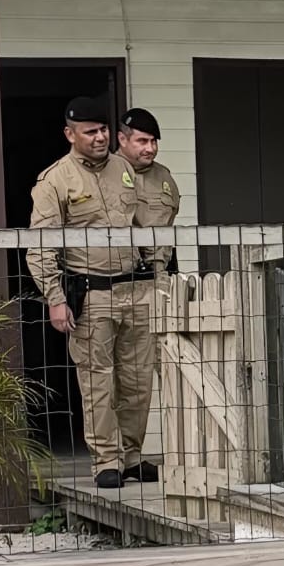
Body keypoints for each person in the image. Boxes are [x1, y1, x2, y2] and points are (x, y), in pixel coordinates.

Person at [27, 96, 154, 489]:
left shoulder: (126, 169)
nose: (99, 138)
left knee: (137, 380)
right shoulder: (56, 180)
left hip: (135, 287)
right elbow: (40, 246)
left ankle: (132, 456)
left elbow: (146, 224)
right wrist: (55, 298)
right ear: (70, 134)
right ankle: (105, 461)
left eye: (103, 130)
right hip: (90, 293)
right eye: (90, 132)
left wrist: (156, 276)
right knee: (98, 382)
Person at [113, 106, 180, 481]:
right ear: (122, 139)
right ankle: (110, 460)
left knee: (147, 378)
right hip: (114, 284)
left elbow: (169, 233)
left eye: (153, 141)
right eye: (141, 140)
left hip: (156, 285)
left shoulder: (164, 180)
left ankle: (134, 456)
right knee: (110, 381)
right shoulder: (103, 177)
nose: (149, 148)